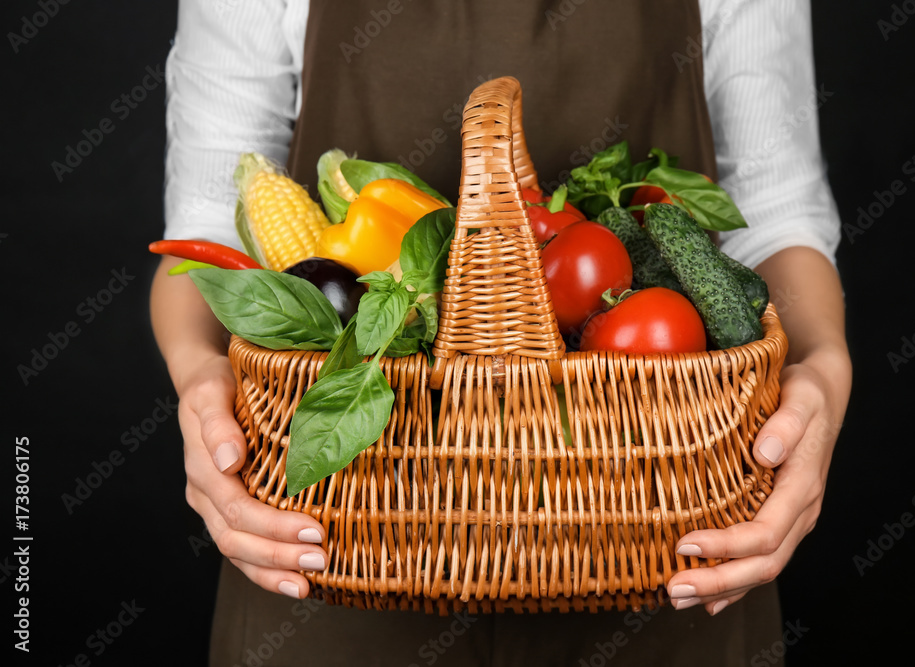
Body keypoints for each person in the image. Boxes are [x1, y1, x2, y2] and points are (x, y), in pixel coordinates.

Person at [151, 0, 851, 664]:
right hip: (328, 557)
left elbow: (776, 205)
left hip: (673, 553)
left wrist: (821, 367)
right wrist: (197, 375)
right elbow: (209, 222)